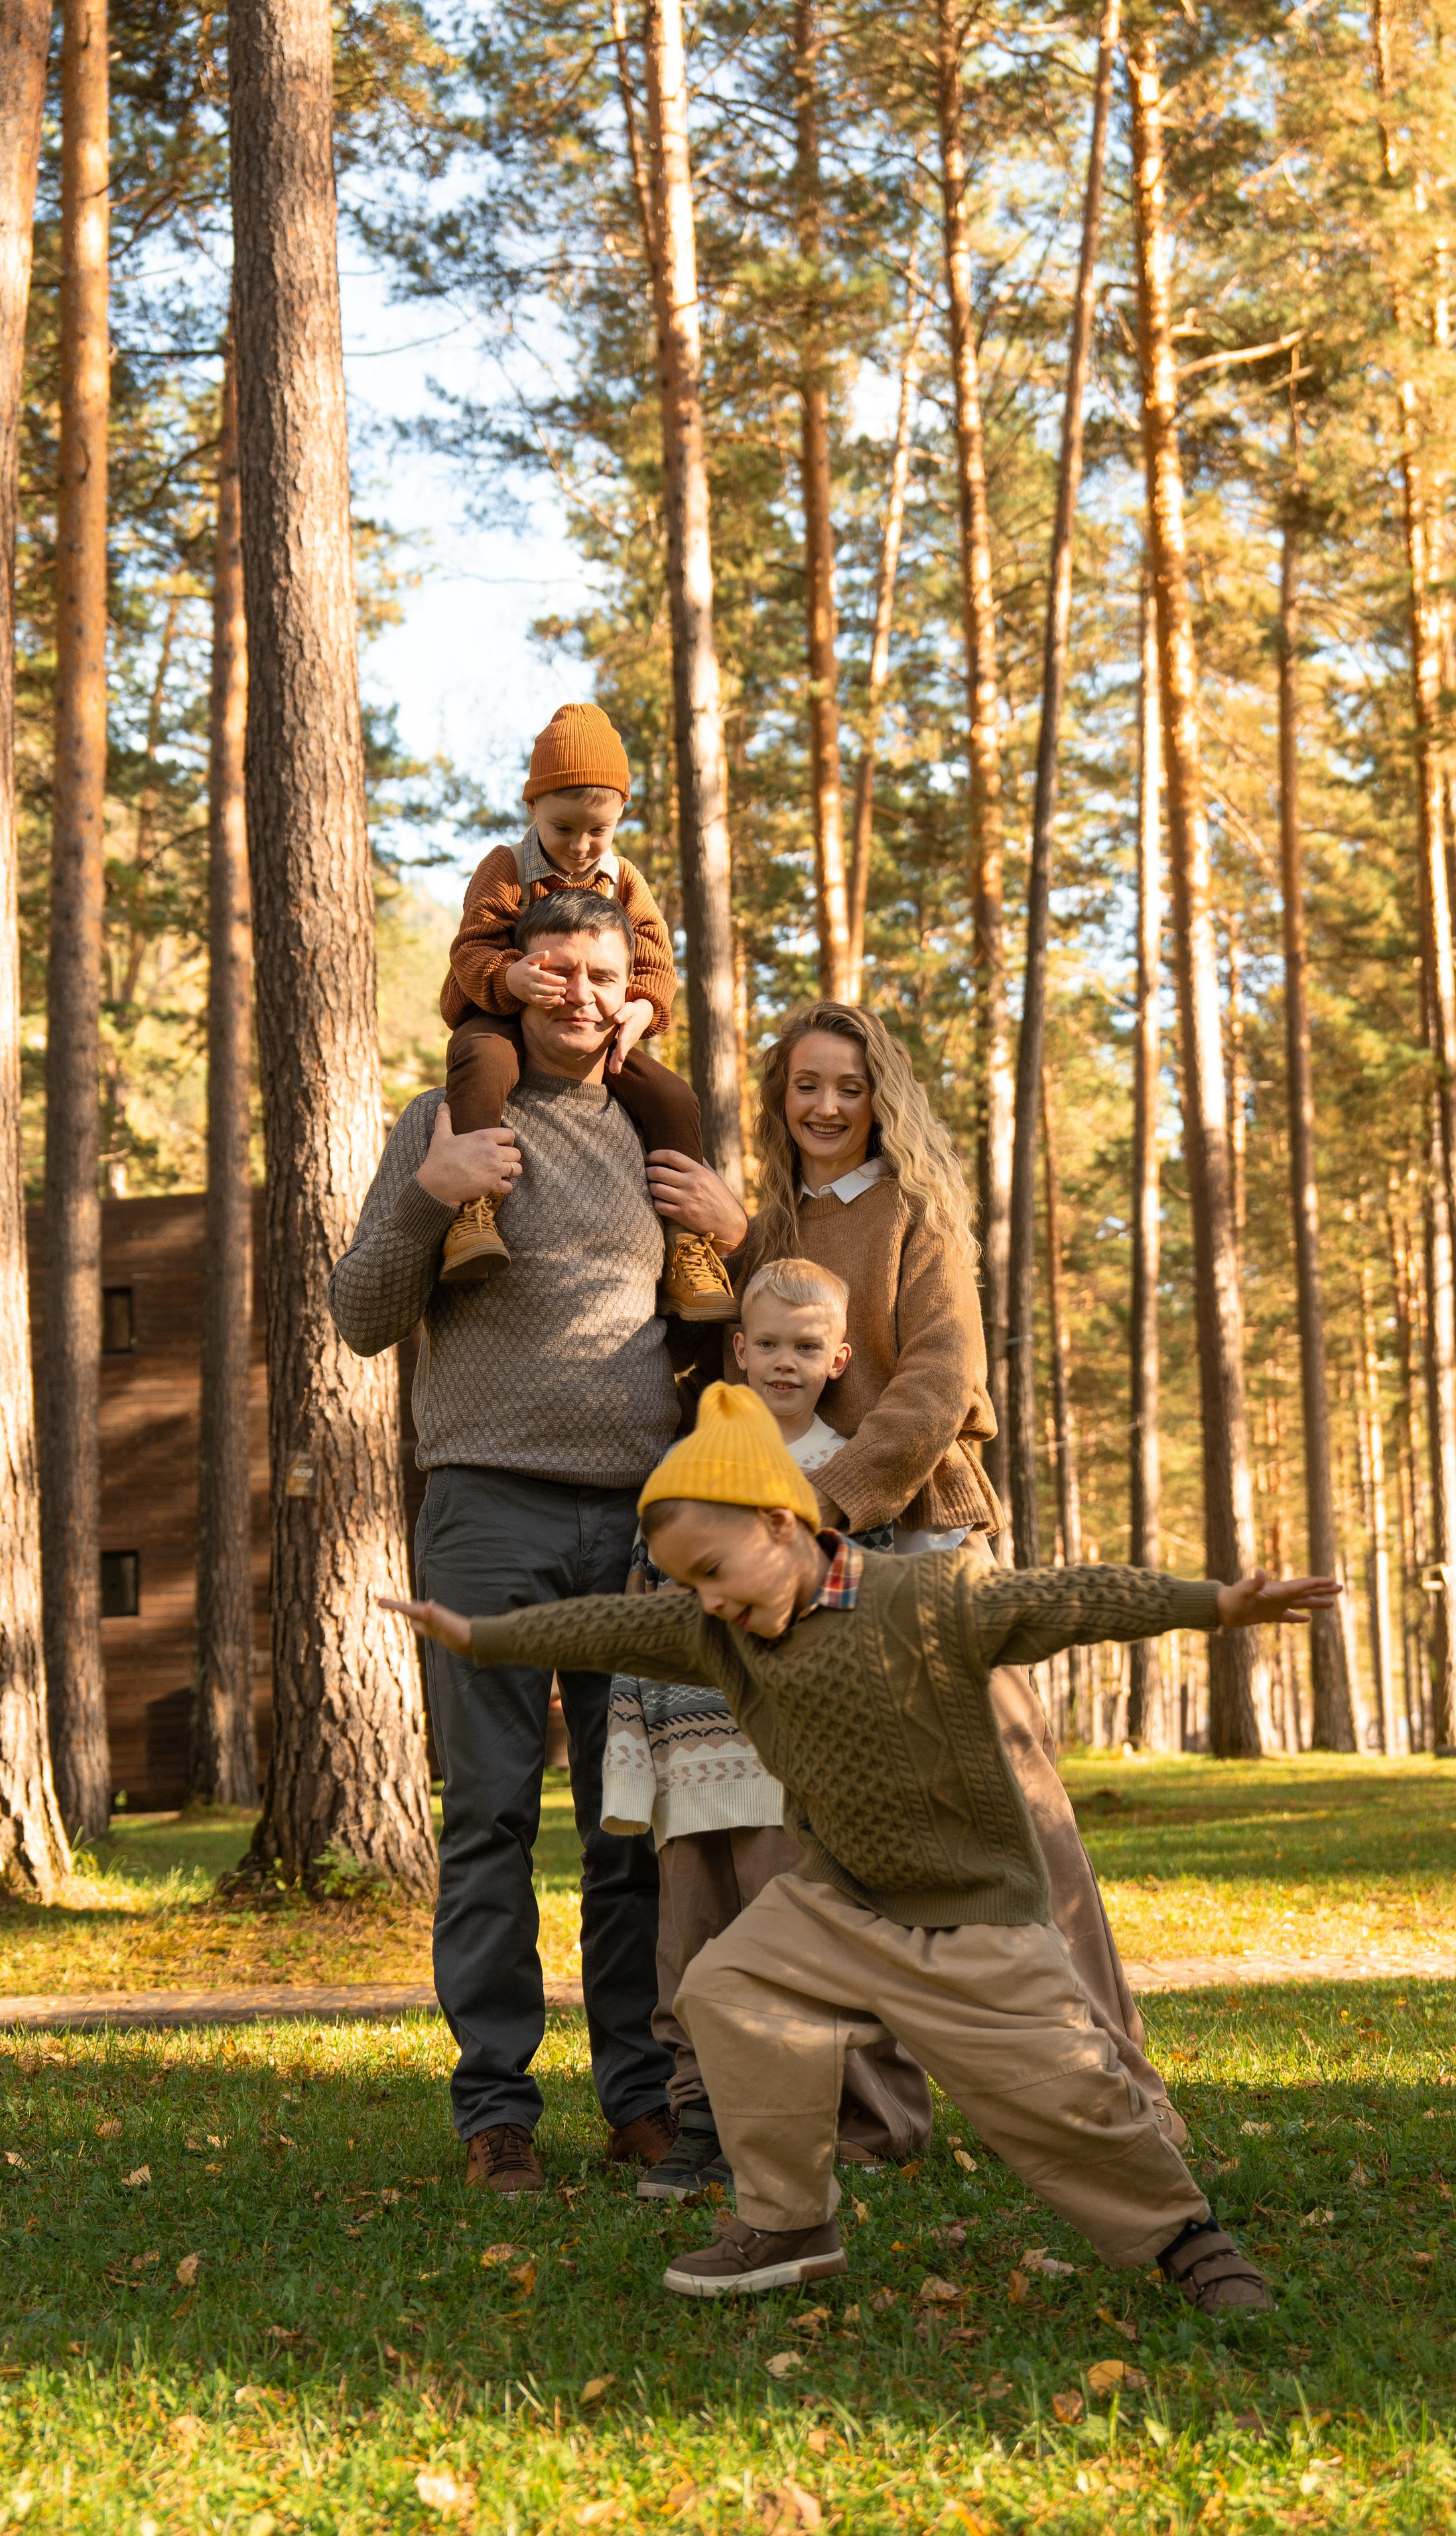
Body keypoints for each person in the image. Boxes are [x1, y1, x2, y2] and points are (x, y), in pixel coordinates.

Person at [383, 1383, 1339, 2306]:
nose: (705, 1601)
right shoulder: (718, 1634)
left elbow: (1068, 1601)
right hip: (835, 1903)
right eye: (686, 1583)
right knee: (727, 1986)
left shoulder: (928, 1597)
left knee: (1059, 2094)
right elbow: (601, 1624)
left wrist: (1214, 1604)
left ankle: (1186, 2236)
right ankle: (791, 2222)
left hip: (972, 1917)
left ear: (782, 1523)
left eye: (713, 1570)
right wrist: (482, 1635)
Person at [329, 888, 748, 2195]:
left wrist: (742, 1232)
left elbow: (758, 1321)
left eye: (601, 971)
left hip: (643, 1517)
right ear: (511, 978)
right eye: (553, 969)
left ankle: (637, 2097)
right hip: (485, 1506)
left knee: (633, 1825)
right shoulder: (448, 1119)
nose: (577, 992)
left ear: (635, 987)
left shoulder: (656, 1128)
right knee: (490, 1818)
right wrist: (426, 1198)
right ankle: (495, 2113)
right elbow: (356, 1314)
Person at [723, 1000, 1186, 2141]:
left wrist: (827, 1502)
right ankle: (880, 2122)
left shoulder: (913, 1211)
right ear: (780, 1102)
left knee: (1020, 1827)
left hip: (924, 1543)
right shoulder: (778, 1225)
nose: (826, 1106)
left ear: (882, 1096)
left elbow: (939, 1382)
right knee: (852, 1833)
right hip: (820, 1570)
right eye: (805, 1087)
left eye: (849, 1085)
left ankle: (1127, 2096)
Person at [602, 1258, 931, 2200]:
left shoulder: (848, 1474)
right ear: (738, 1349)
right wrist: (636, 1763)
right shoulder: (681, 1471)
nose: (785, 1362)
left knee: (809, 1943)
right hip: (691, 1759)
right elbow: (644, 1618)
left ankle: (858, 2120)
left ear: (839, 1358)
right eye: (769, 1344)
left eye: (806, 1346)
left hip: (793, 1769)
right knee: (693, 1953)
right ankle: (703, 2114)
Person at [436, 699, 734, 1320]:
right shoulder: (506, 867)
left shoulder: (623, 878)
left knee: (674, 1098)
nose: (579, 846)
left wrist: (643, 1008)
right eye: (563, 828)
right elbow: (471, 948)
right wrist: (509, 976)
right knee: (481, 1059)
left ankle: (685, 1244)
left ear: (621, 816)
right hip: (503, 1011)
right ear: (533, 810)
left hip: (593, 1025)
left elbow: (654, 957)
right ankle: (473, 1211)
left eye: (597, 831)